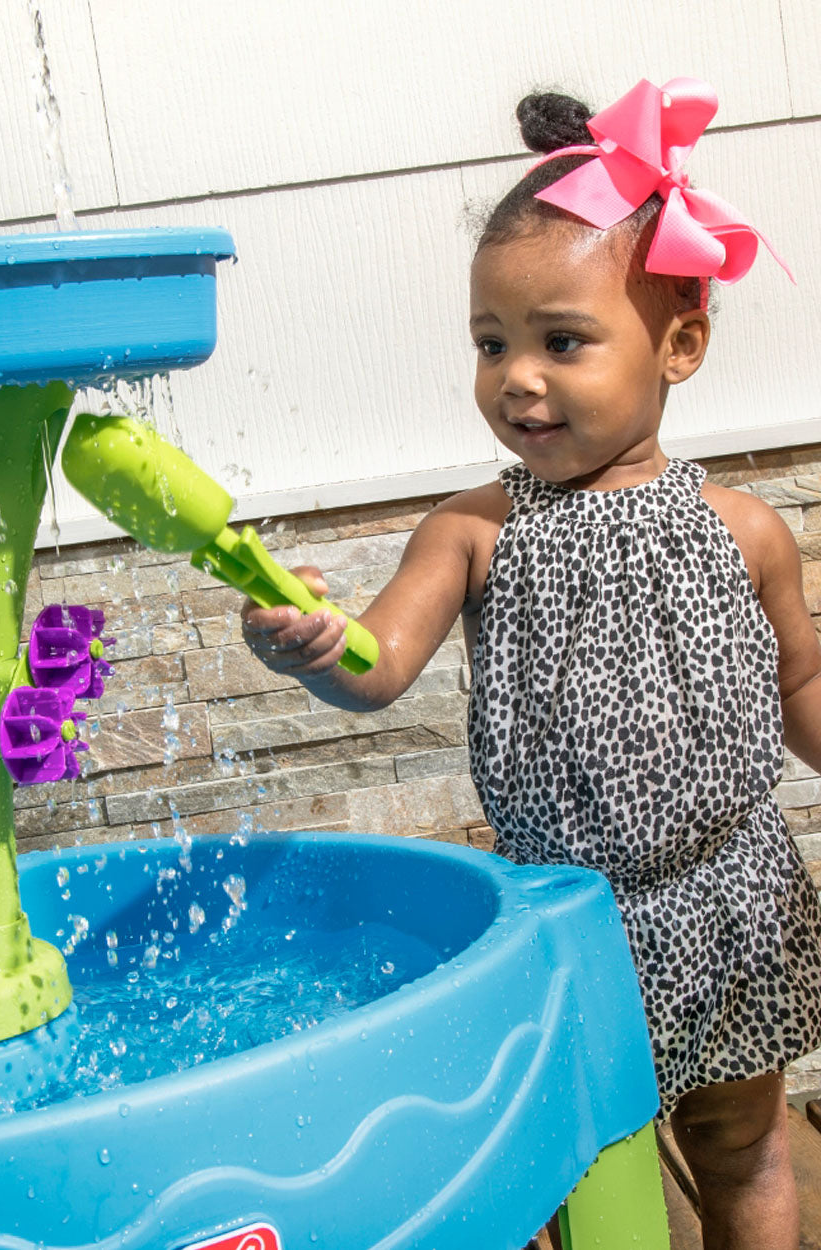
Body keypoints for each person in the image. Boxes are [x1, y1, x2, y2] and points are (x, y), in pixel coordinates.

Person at [240, 77, 821, 1250]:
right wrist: (313, 645)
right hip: (567, 917)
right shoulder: (472, 531)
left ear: (679, 343)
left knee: (741, 1144)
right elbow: (377, 665)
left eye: (561, 341)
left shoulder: (743, 528)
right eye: (490, 342)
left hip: (729, 896)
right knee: (583, 1165)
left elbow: (800, 687)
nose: (516, 375)